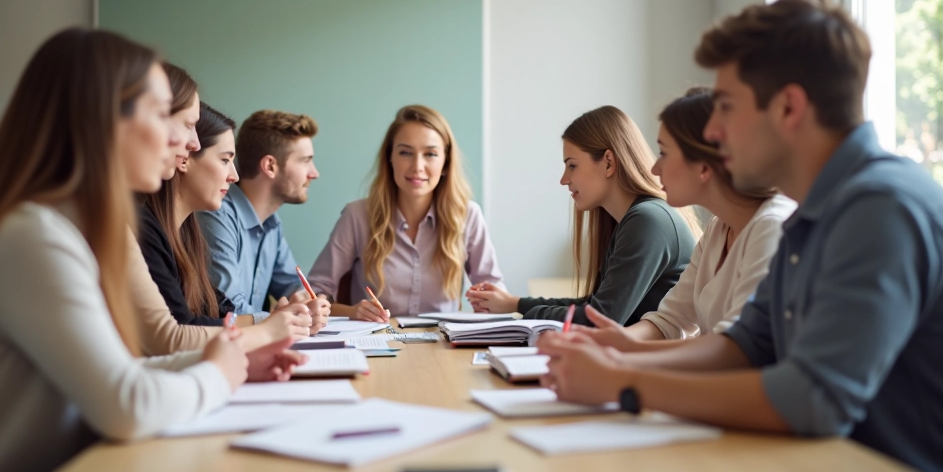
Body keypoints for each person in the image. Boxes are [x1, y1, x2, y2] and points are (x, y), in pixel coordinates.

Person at [538, 0, 943, 472]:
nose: (713, 129)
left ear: (789, 108)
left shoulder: (881, 207)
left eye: (727, 107)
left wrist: (625, 383)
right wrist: (624, 355)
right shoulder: (815, 211)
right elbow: (745, 345)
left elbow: (811, 398)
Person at [0, 29, 248, 472]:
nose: (189, 143)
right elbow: (126, 406)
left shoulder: (64, 229)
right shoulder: (31, 238)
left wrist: (216, 358)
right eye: (162, 115)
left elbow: (118, 372)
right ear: (103, 122)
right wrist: (217, 375)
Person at [577, 87, 795, 351]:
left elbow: (734, 350)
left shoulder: (771, 228)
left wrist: (621, 357)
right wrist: (615, 342)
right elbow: (671, 319)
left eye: (664, 153)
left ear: (703, 166)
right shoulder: (718, 228)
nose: (655, 169)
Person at [130, 63, 310, 354]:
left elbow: (215, 310)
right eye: (225, 160)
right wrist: (267, 330)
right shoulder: (144, 228)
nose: (234, 175)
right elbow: (177, 331)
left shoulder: (188, 233)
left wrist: (275, 323)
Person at [467, 106, 699, 326]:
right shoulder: (632, 221)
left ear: (608, 163)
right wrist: (514, 304)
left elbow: (600, 319)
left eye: (572, 166)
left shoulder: (648, 220)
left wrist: (525, 315)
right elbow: (593, 306)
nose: (563, 179)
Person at [309, 105, 505, 321]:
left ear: (446, 162)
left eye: (430, 154)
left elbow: (494, 292)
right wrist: (352, 311)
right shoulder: (357, 216)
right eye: (405, 153)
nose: (417, 166)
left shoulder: (468, 216)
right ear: (390, 158)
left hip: (443, 344)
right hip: (375, 341)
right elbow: (316, 292)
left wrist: (489, 303)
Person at [198, 110, 331, 326]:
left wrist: (311, 306)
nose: (314, 173)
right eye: (305, 161)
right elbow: (229, 311)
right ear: (270, 166)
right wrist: (289, 318)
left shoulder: (271, 224)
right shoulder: (216, 215)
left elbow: (292, 286)